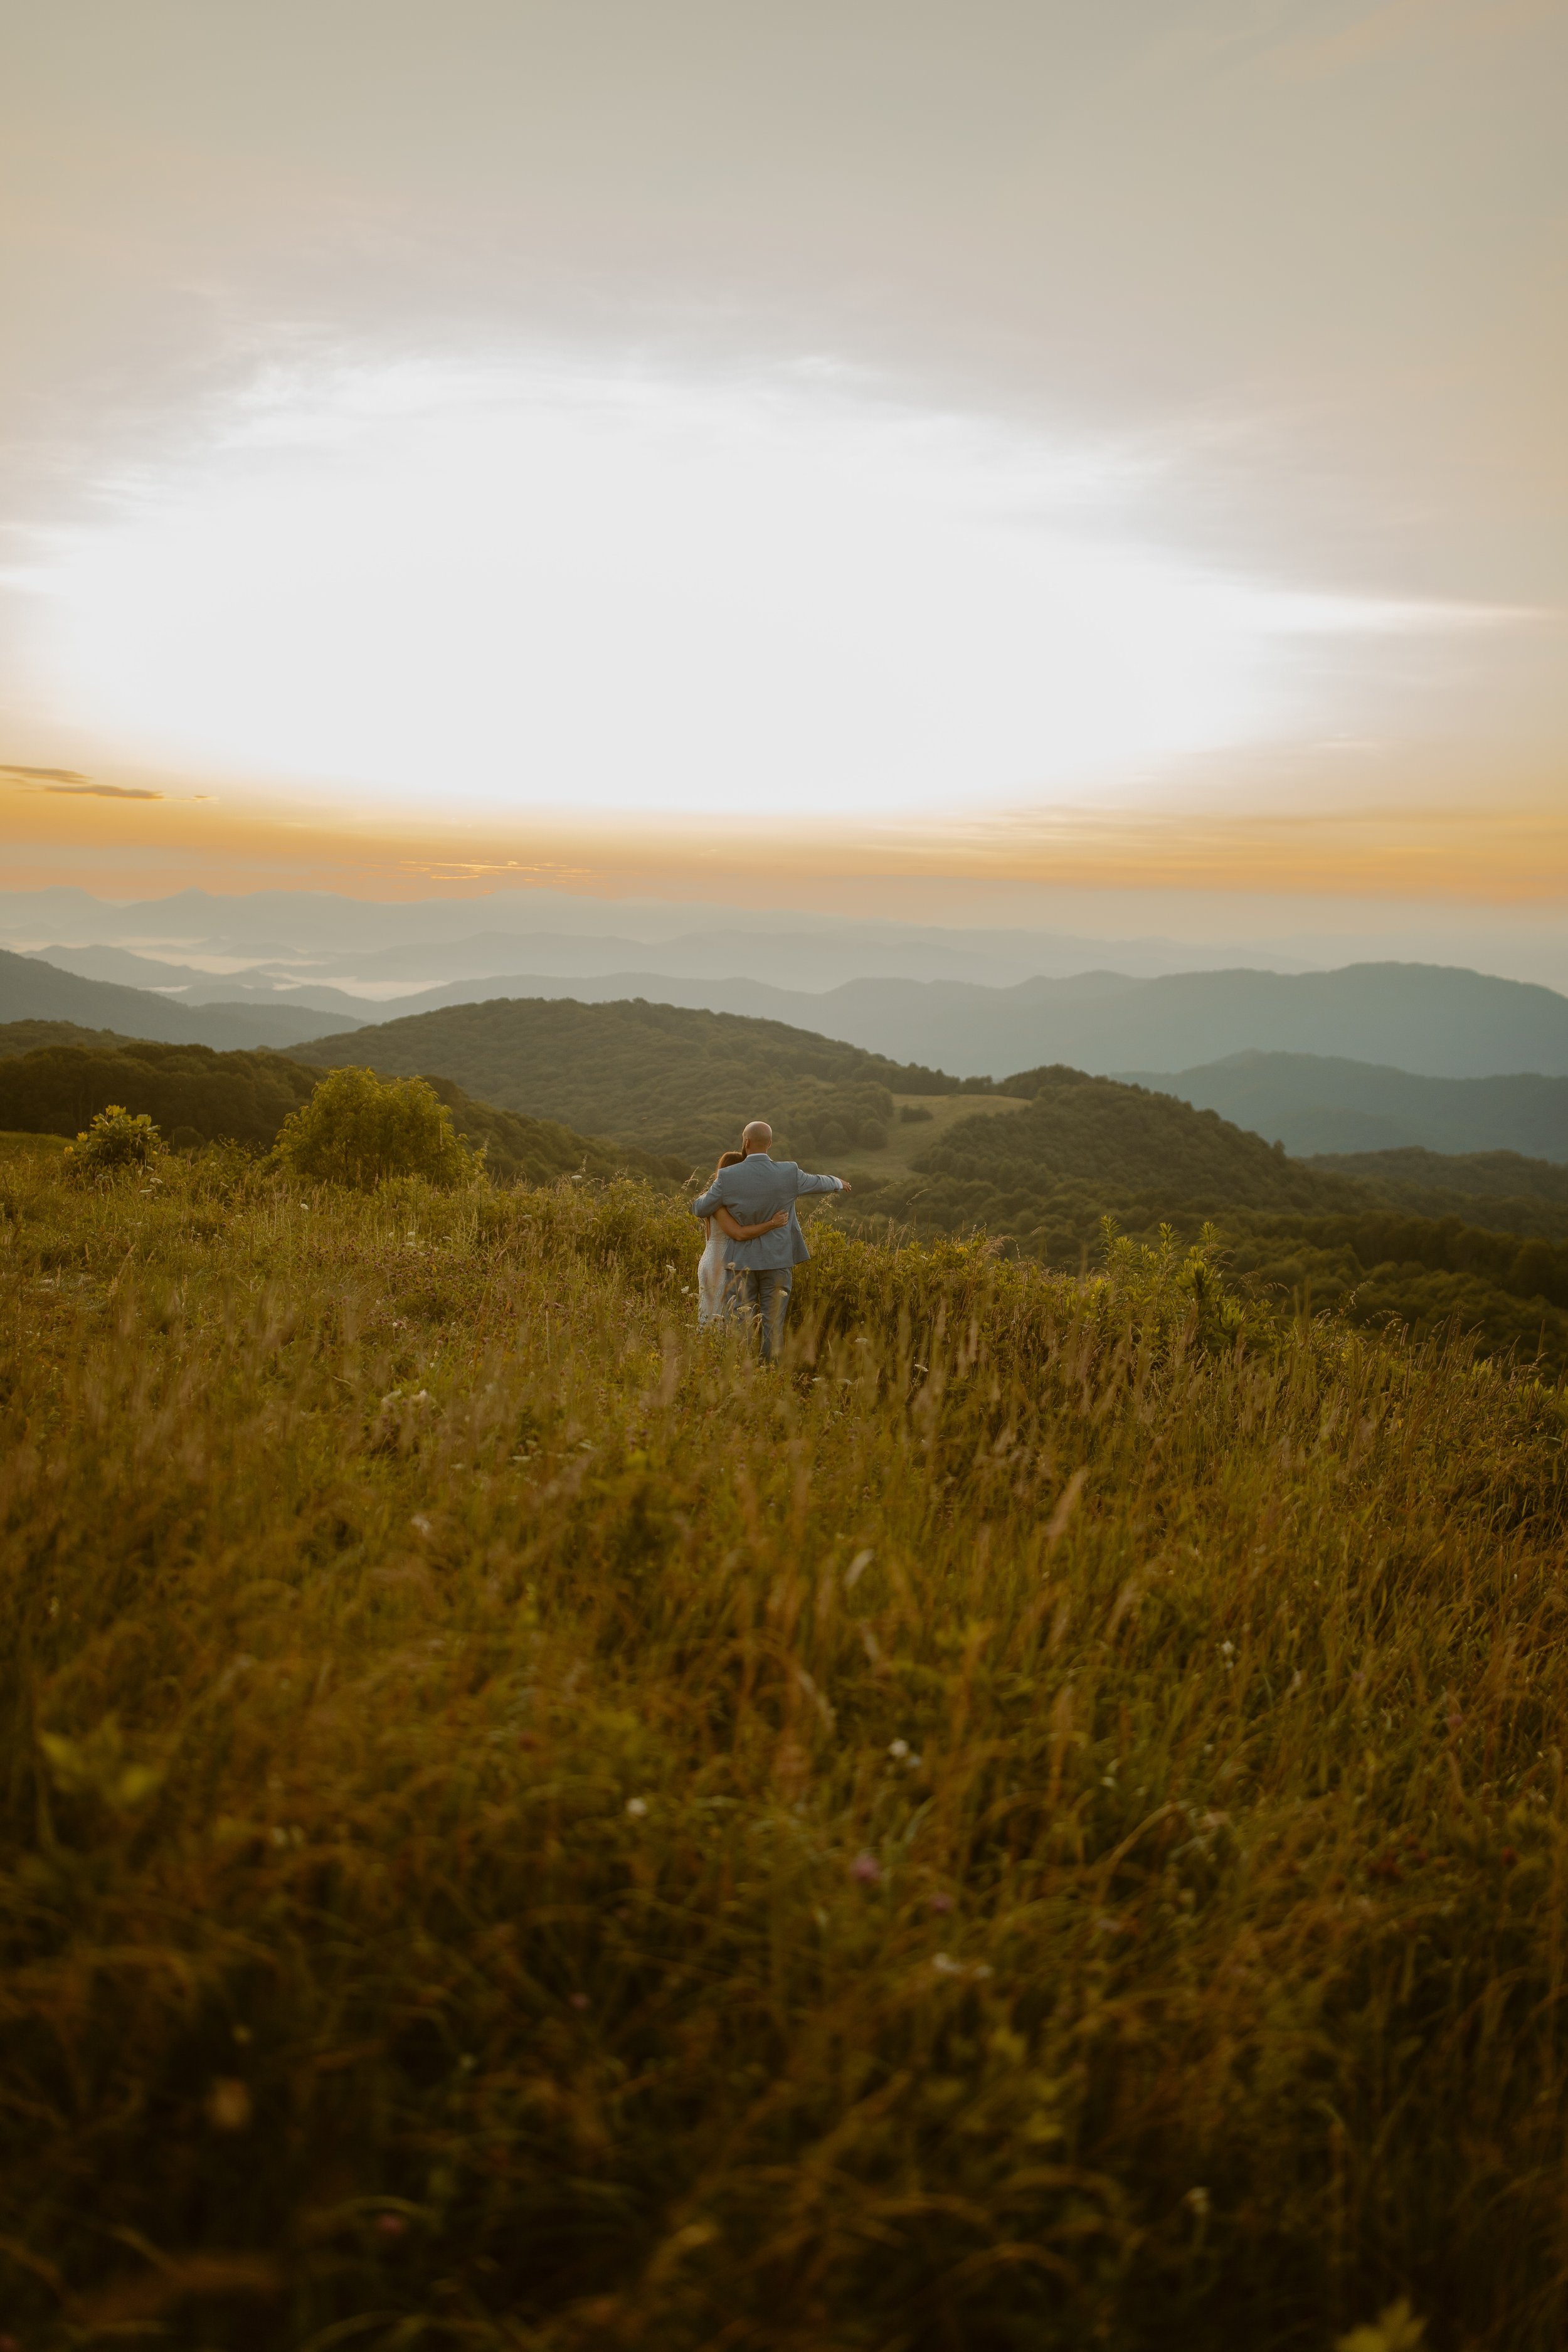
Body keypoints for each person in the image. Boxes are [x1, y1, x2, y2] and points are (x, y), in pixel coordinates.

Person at [691, 1120, 852, 1362]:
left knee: (741, 1323)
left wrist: (707, 1197)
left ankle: (742, 1370)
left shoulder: (727, 1177)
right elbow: (819, 1182)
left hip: (741, 1263)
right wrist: (839, 1182)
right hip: (777, 1262)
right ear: (770, 1143)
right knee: (773, 1324)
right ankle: (769, 1372)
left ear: (745, 1142)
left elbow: (700, 1209)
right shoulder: (788, 1173)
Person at [696, 1149, 790, 1327]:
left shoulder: (710, 1199)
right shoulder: (720, 1204)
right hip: (723, 1262)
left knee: (709, 1314)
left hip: (710, 1258)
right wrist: (772, 1223)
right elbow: (739, 1233)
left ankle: (708, 1352)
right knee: (720, 1318)